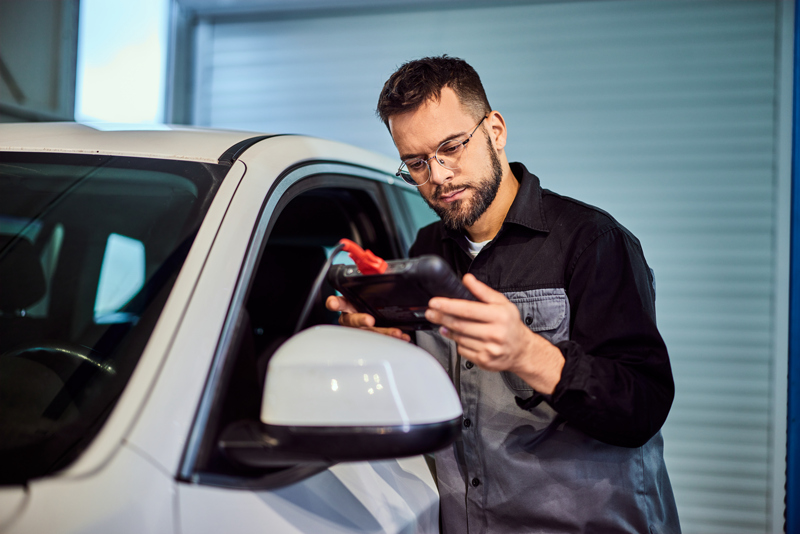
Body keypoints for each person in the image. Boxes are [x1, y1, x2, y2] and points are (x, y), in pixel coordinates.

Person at [327, 55, 680, 534]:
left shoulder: (593, 241)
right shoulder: (427, 249)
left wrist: (530, 354)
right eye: (416, 162)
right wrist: (387, 349)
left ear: (494, 130)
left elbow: (643, 405)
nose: (438, 176)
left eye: (450, 147)